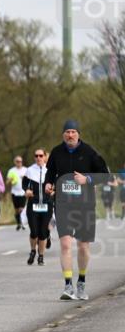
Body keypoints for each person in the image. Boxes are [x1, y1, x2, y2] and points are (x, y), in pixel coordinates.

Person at [43, 120, 110, 301]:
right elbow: (49, 174)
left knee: (83, 246)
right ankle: (67, 286)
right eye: (67, 132)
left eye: (73, 132)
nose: (70, 135)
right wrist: (48, 185)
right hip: (63, 204)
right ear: (63, 135)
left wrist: (87, 179)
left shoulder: (90, 152)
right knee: (65, 244)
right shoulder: (56, 152)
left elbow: (105, 175)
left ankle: (81, 282)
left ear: (78, 134)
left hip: (85, 205)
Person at [22, 148, 52, 266]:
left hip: (46, 204)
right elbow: (24, 184)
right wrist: (27, 190)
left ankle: (41, 256)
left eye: (41, 156)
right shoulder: (29, 170)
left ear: (45, 157)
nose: (38, 158)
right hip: (33, 205)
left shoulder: (50, 170)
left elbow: (56, 184)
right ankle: (33, 251)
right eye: (36, 156)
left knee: (43, 232)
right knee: (34, 231)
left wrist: (53, 191)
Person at [7, 156, 29, 231]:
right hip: (14, 192)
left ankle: (22, 223)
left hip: (23, 192)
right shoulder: (11, 171)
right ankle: (18, 223)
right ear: (15, 162)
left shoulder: (26, 170)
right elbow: (7, 182)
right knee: (16, 209)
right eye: (17, 161)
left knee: (21, 209)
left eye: (20, 161)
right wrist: (10, 180)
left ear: (22, 162)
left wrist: (25, 179)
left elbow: (30, 181)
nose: (19, 163)